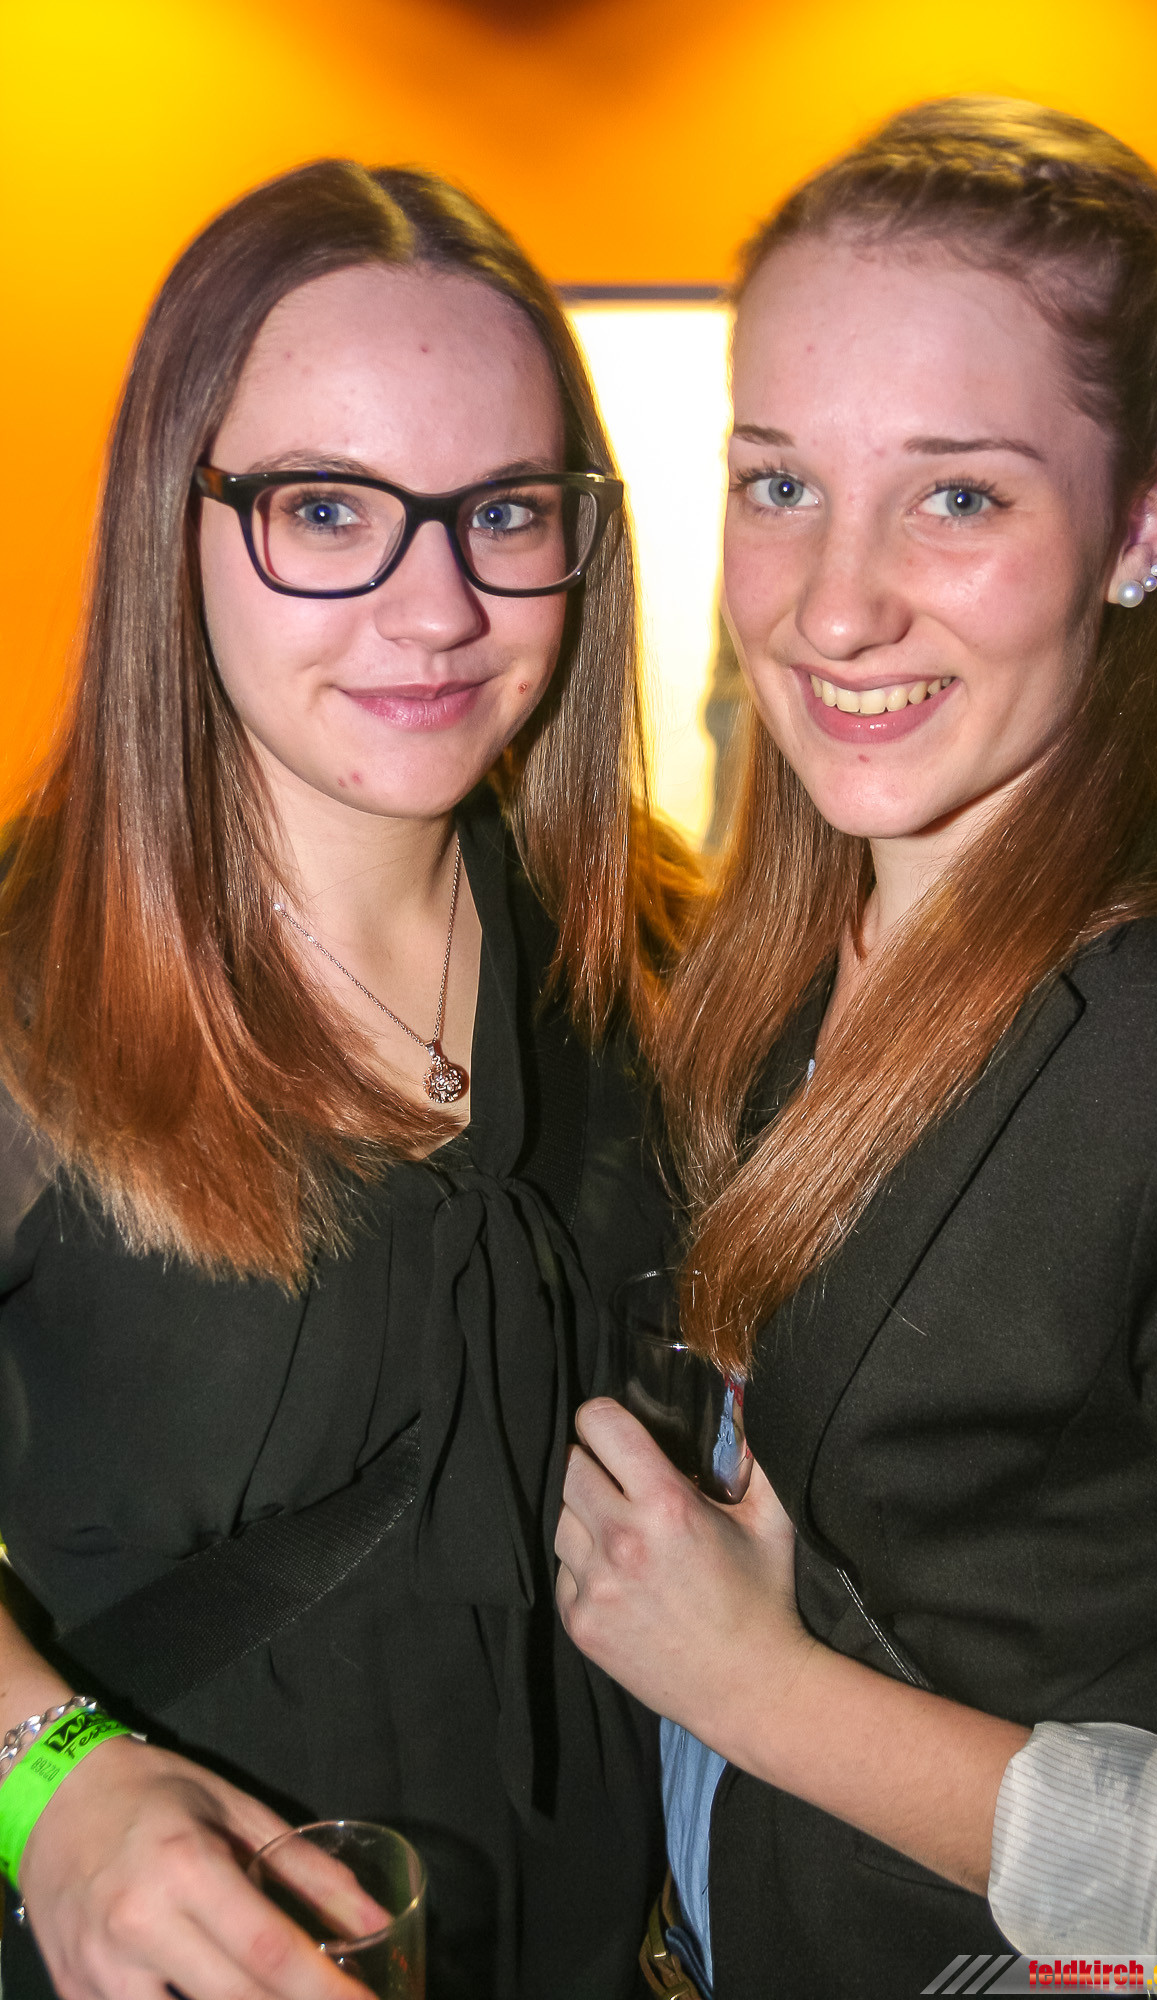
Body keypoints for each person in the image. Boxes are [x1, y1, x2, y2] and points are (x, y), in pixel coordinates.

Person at [554, 98, 1157, 1997]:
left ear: (1142, 522)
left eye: (958, 496)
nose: (831, 606)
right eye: (777, 484)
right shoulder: (756, 974)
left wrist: (752, 1686)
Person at [0, 159, 691, 2000]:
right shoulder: (27, 1000)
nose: (436, 607)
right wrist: (42, 1785)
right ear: (177, 521)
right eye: (326, 509)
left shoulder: (658, 959)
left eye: (504, 510)